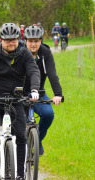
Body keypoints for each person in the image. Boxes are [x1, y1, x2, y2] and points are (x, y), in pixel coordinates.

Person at [0, 23, 40, 180]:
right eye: (7, 40)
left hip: (15, 100)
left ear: (18, 39)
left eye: (14, 39)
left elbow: (33, 71)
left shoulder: (24, 55)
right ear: (0, 40)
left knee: (21, 136)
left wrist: (34, 89)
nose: (11, 42)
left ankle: (20, 174)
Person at [23, 25, 63, 156]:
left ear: (40, 41)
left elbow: (52, 74)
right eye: (30, 41)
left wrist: (58, 94)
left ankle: (37, 139)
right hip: (20, 93)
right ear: (25, 41)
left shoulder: (45, 53)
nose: (33, 44)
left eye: (36, 41)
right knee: (17, 121)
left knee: (48, 115)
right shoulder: (19, 52)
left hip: (39, 92)